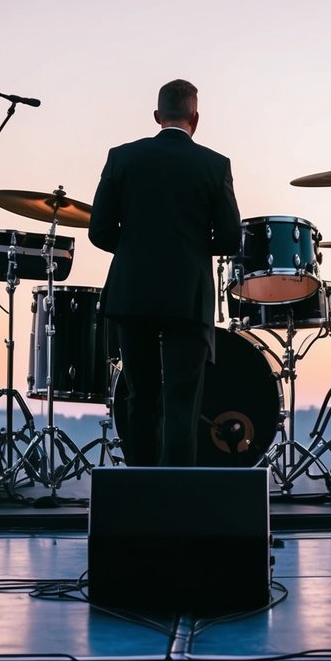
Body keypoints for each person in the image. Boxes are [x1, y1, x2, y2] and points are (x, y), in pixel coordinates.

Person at [88, 79, 242, 466]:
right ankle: (177, 495)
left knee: (140, 396)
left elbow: (99, 230)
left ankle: (142, 489)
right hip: (187, 296)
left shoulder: (121, 158)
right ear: (196, 118)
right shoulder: (214, 164)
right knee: (182, 401)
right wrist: (189, 250)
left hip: (133, 292)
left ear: (157, 117)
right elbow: (228, 239)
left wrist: (136, 250)